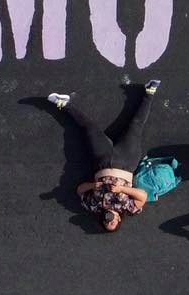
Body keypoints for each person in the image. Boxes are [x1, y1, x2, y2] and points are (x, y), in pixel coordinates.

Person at [48, 78, 159, 232]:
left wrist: (95, 185)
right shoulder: (128, 209)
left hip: (103, 162)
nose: (109, 221)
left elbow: (80, 190)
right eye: (112, 224)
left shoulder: (94, 207)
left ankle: (65, 104)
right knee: (136, 126)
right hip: (127, 163)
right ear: (119, 220)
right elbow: (143, 196)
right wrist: (121, 189)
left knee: (90, 129)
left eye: (106, 223)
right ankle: (149, 92)